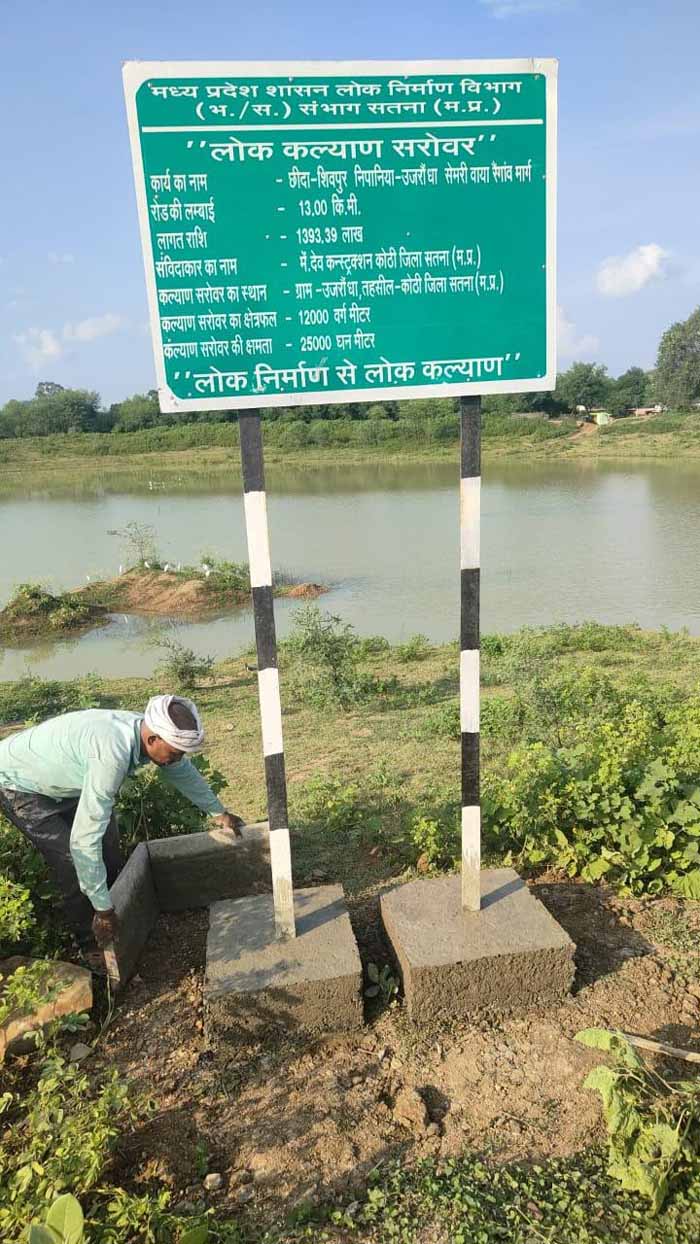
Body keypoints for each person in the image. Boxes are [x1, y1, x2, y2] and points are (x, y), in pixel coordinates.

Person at [0, 694, 244, 968]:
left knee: (109, 845)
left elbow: (181, 771)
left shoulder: (147, 731)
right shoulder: (111, 754)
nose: (178, 758)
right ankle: (91, 943)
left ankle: (117, 915)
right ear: (153, 739)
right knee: (71, 860)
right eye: (175, 753)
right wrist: (103, 910)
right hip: (18, 784)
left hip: (64, 779)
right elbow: (83, 843)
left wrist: (218, 812)